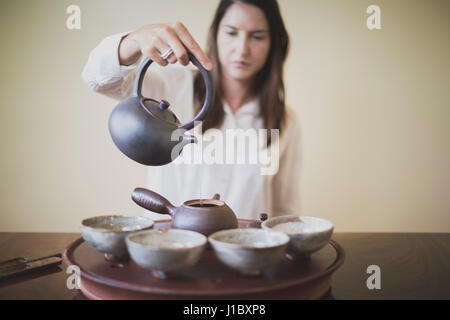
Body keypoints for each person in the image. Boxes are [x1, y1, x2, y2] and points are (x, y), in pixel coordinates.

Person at [81, 0, 301, 220]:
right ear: (215, 34)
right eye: (232, 33)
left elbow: (284, 209)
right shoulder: (170, 87)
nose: (242, 49)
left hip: (246, 249)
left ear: (273, 43)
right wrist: (135, 40)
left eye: (257, 36)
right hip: (166, 245)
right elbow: (96, 79)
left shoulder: (285, 121)